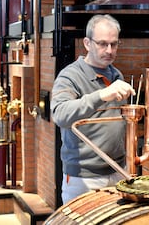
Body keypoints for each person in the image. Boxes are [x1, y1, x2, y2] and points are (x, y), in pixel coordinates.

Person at [51, 14, 135, 204]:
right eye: (102, 44)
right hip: (84, 177)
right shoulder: (70, 76)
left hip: (118, 170)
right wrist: (102, 95)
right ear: (87, 43)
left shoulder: (116, 74)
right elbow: (60, 114)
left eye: (114, 44)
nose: (109, 50)